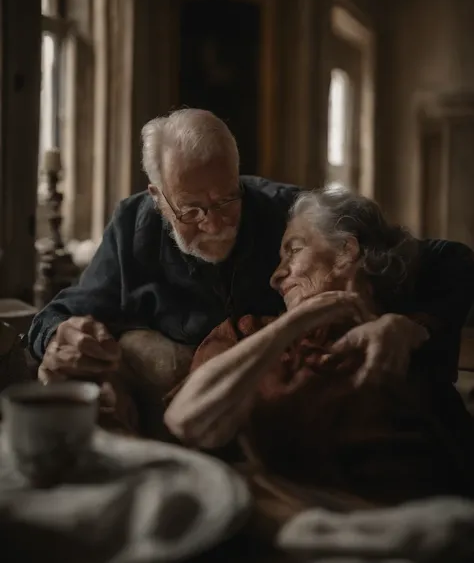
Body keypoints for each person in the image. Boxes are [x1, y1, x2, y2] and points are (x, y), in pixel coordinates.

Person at [29, 109, 474, 411]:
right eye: (191, 210)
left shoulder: (290, 212)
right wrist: (58, 338)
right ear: (157, 198)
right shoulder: (132, 224)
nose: (214, 222)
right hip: (186, 411)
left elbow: (450, 259)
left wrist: (415, 324)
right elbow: (59, 315)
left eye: (227, 198)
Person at [165, 187, 474, 505]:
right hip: (275, 514)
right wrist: (296, 322)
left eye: (293, 251)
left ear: (345, 251)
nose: (276, 276)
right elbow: (185, 420)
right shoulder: (245, 333)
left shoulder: (407, 339)